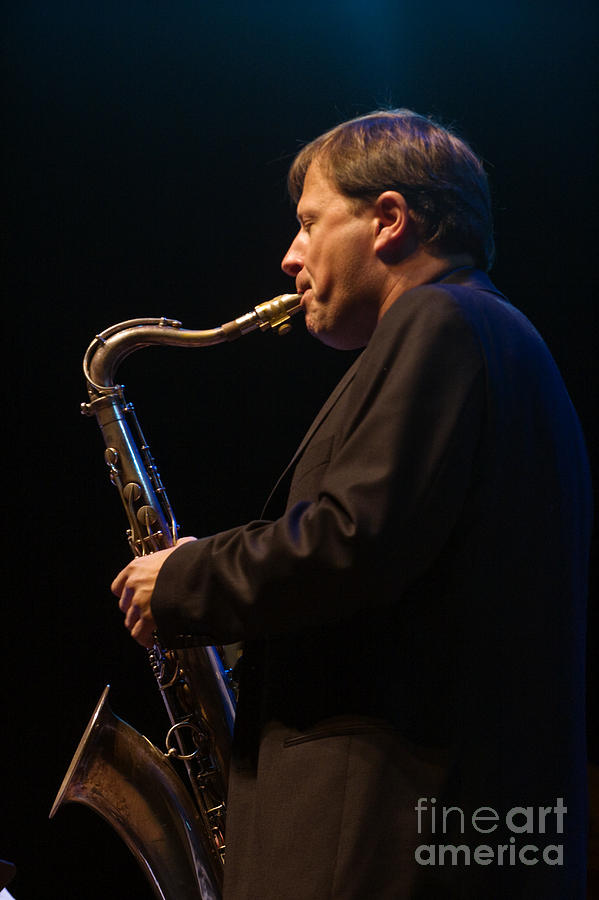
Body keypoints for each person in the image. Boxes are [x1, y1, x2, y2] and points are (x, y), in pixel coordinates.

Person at [111, 110, 592, 898]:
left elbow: (352, 541)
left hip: (380, 831)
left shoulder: (441, 320)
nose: (288, 255)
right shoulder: (498, 339)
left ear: (389, 220)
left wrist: (187, 578)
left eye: (307, 222)